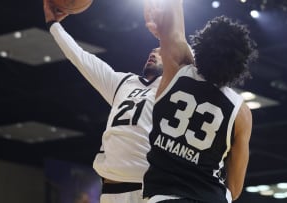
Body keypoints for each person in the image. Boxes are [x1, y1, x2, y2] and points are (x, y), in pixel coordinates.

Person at [42, 1, 163, 202]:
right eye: (152, 51)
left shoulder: (174, 89)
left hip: (147, 189)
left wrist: (164, 32)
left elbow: (183, 52)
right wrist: (53, 25)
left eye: (160, 53)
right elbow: (81, 58)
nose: (153, 53)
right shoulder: (123, 82)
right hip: (110, 190)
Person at [142, 0, 258, 202]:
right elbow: (234, 188)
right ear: (240, 67)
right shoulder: (241, 113)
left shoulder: (178, 69)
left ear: (201, 44)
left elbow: (176, 32)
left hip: (165, 196)